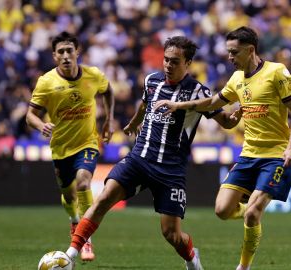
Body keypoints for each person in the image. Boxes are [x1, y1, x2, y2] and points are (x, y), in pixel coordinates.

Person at [65, 36, 242, 269]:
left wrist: (238, 114)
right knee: (104, 198)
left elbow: (226, 122)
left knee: (171, 235)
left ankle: (191, 257)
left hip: (170, 170)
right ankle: (70, 255)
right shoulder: (152, 80)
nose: (168, 65)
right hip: (139, 158)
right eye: (166, 60)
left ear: (187, 63)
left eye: (175, 61)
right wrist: (133, 123)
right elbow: (145, 104)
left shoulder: (199, 92)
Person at [154, 26, 291, 270]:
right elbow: (213, 102)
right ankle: (250, 209)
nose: (229, 57)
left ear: (251, 50)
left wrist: (290, 147)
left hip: (277, 155)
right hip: (248, 155)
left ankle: (243, 266)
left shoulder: (276, 72)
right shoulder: (236, 80)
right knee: (222, 210)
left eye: (234, 53)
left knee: (252, 214)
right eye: (228, 52)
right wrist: (180, 105)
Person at [26, 31, 114, 261]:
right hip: (61, 148)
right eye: (61, 52)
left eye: (69, 50)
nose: (66, 55)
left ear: (78, 52)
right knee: (68, 194)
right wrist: (40, 125)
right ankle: (74, 222)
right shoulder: (46, 82)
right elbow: (30, 115)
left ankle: (85, 240)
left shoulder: (93, 75)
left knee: (84, 180)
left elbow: (108, 91)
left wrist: (109, 120)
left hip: (88, 142)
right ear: (54, 56)